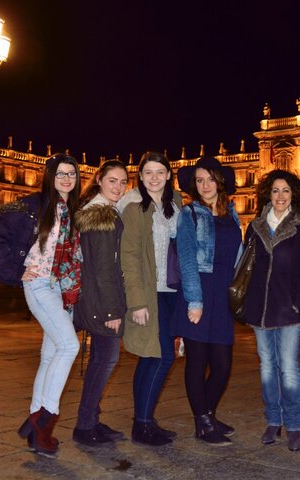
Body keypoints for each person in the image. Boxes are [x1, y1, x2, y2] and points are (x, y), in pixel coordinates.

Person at [6, 153, 82, 458]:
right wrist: (15, 269)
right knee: (69, 347)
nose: (66, 178)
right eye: (60, 173)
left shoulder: (72, 208)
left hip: (60, 287)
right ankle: (44, 422)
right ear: (49, 176)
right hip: (39, 284)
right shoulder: (34, 205)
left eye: (71, 174)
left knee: (50, 353)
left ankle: (34, 416)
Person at [243, 169, 300, 452]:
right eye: (275, 190)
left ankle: (294, 425)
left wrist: (298, 297)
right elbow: (247, 266)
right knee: (267, 368)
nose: (280, 196)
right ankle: (273, 420)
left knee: (288, 368)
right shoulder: (256, 225)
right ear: (268, 194)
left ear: (294, 195)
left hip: (289, 307)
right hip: (261, 308)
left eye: (285, 190)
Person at [173, 157, 242, 446]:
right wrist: (194, 301)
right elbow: (187, 258)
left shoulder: (233, 213)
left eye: (210, 179)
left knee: (223, 364)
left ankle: (208, 413)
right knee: (198, 362)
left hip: (223, 292)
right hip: (199, 290)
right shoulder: (189, 213)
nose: (205, 185)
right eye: (199, 180)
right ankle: (202, 421)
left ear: (220, 182)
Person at [118, 151, 182, 446]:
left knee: (150, 358)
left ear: (169, 175)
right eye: (148, 173)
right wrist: (137, 302)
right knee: (161, 356)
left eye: (160, 172)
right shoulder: (134, 208)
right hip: (149, 292)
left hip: (172, 291)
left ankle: (143, 421)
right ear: (140, 177)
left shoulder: (176, 204)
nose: (154, 178)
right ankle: (143, 424)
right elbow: (129, 257)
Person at [71, 160, 129, 446]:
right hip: (100, 302)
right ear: (99, 181)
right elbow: (106, 267)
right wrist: (112, 310)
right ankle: (84, 426)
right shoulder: (103, 216)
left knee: (100, 361)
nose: (118, 187)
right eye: (112, 181)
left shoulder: (95, 211)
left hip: (90, 298)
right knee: (105, 361)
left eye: (122, 182)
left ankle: (90, 419)